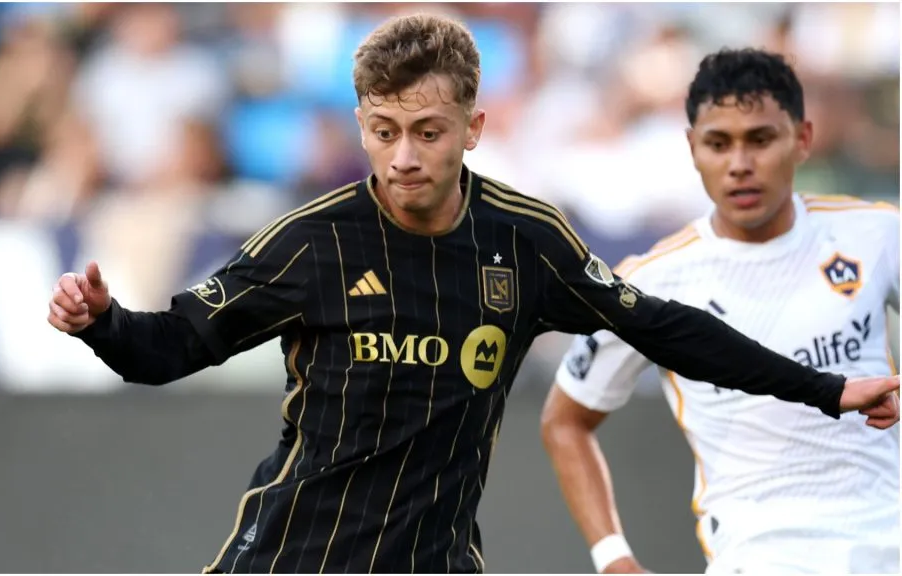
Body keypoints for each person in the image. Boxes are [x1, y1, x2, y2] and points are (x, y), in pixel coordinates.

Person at [48, 17, 899, 573]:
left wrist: (824, 391)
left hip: (437, 561)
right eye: (384, 132)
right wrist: (103, 323)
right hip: (295, 557)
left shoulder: (525, 241)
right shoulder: (312, 243)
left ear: (474, 129)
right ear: (361, 127)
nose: (404, 156)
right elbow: (169, 350)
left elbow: (668, 330)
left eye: (427, 132)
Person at [542, 48, 901, 575]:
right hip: (756, 558)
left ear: (802, 138)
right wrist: (612, 557)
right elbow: (564, 421)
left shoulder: (876, 233)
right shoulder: (652, 281)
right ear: (692, 148)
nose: (739, 164)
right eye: (718, 143)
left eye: (760, 139)